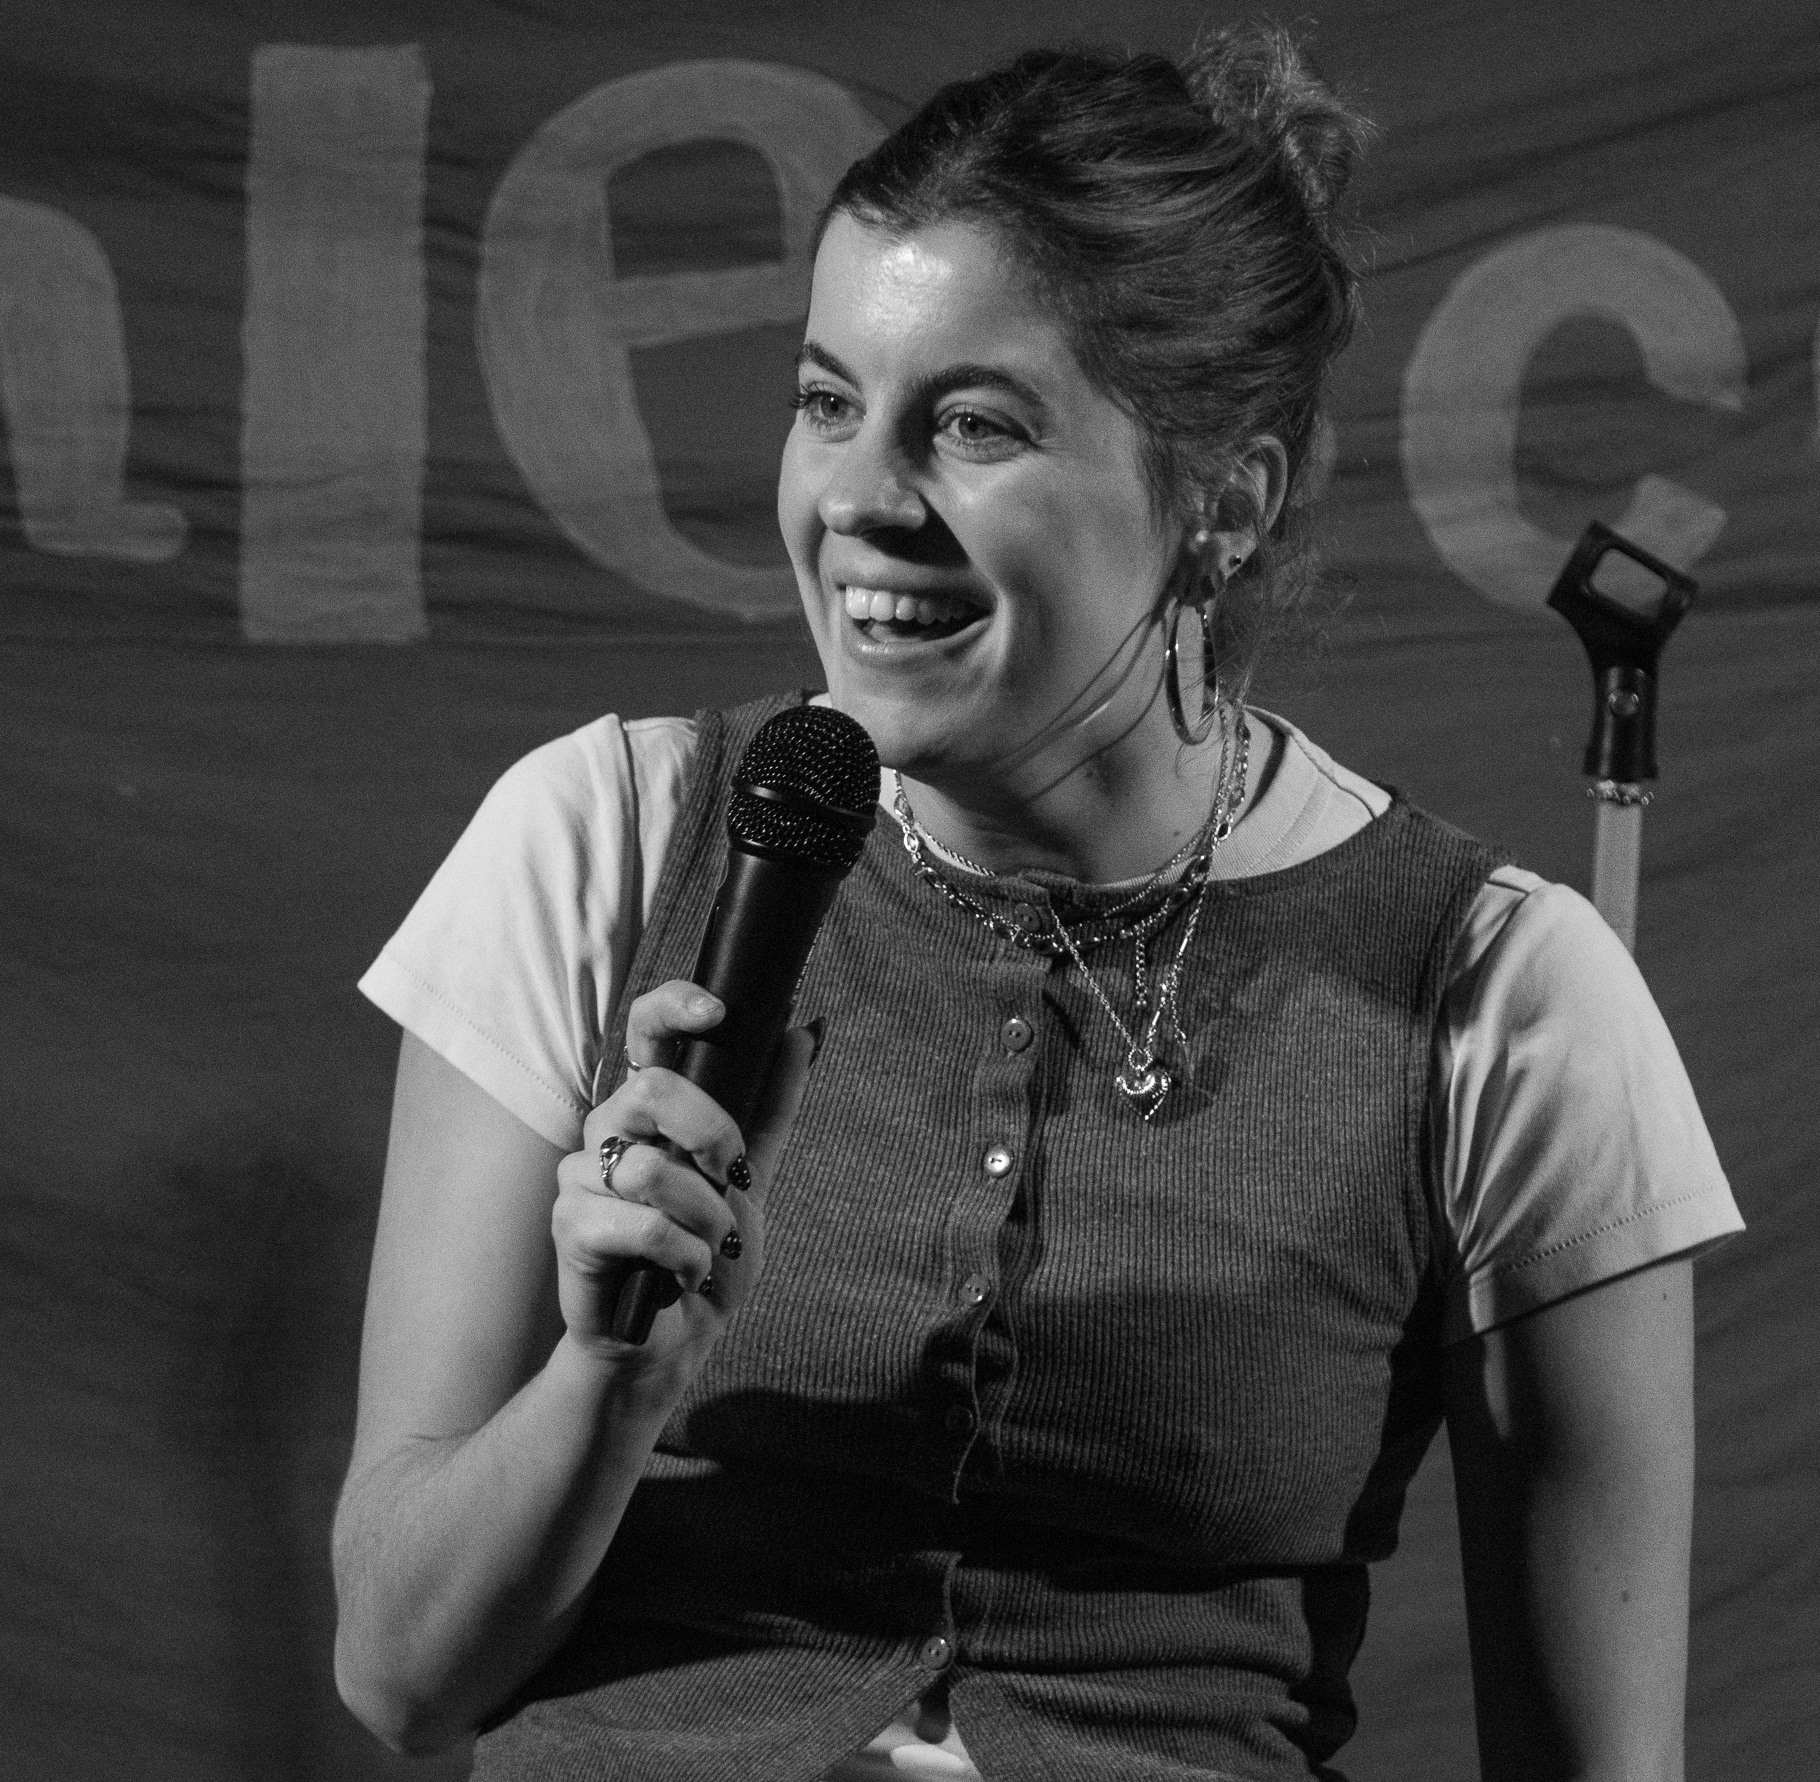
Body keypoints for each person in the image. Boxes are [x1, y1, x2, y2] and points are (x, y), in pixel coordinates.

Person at [332, 26, 1741, 1781]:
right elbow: (400, 1677)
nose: (859, 499)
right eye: (827, 402)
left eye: (972, 425)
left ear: (1223, 505)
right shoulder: (604, 838)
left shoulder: (1504, 994)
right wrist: (610, 1379)